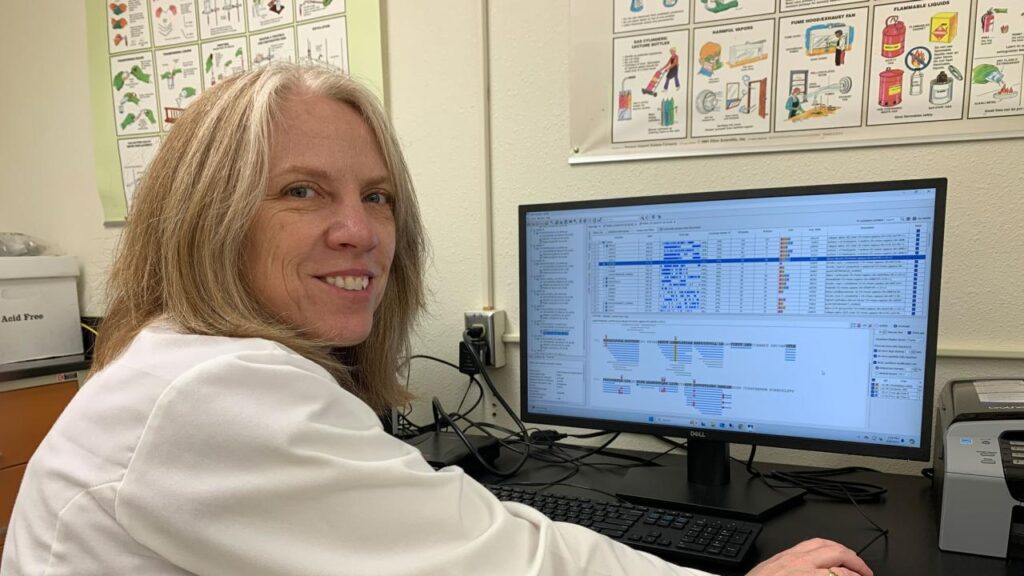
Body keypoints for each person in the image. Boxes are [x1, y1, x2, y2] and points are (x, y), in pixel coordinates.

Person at [1, 63, 873, 576]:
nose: (360, 230)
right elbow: (505, 565)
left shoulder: (181, 363)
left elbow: (482, 536)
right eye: (302, 191)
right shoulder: (212, 391)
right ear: (206, 215)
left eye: (376, 196)